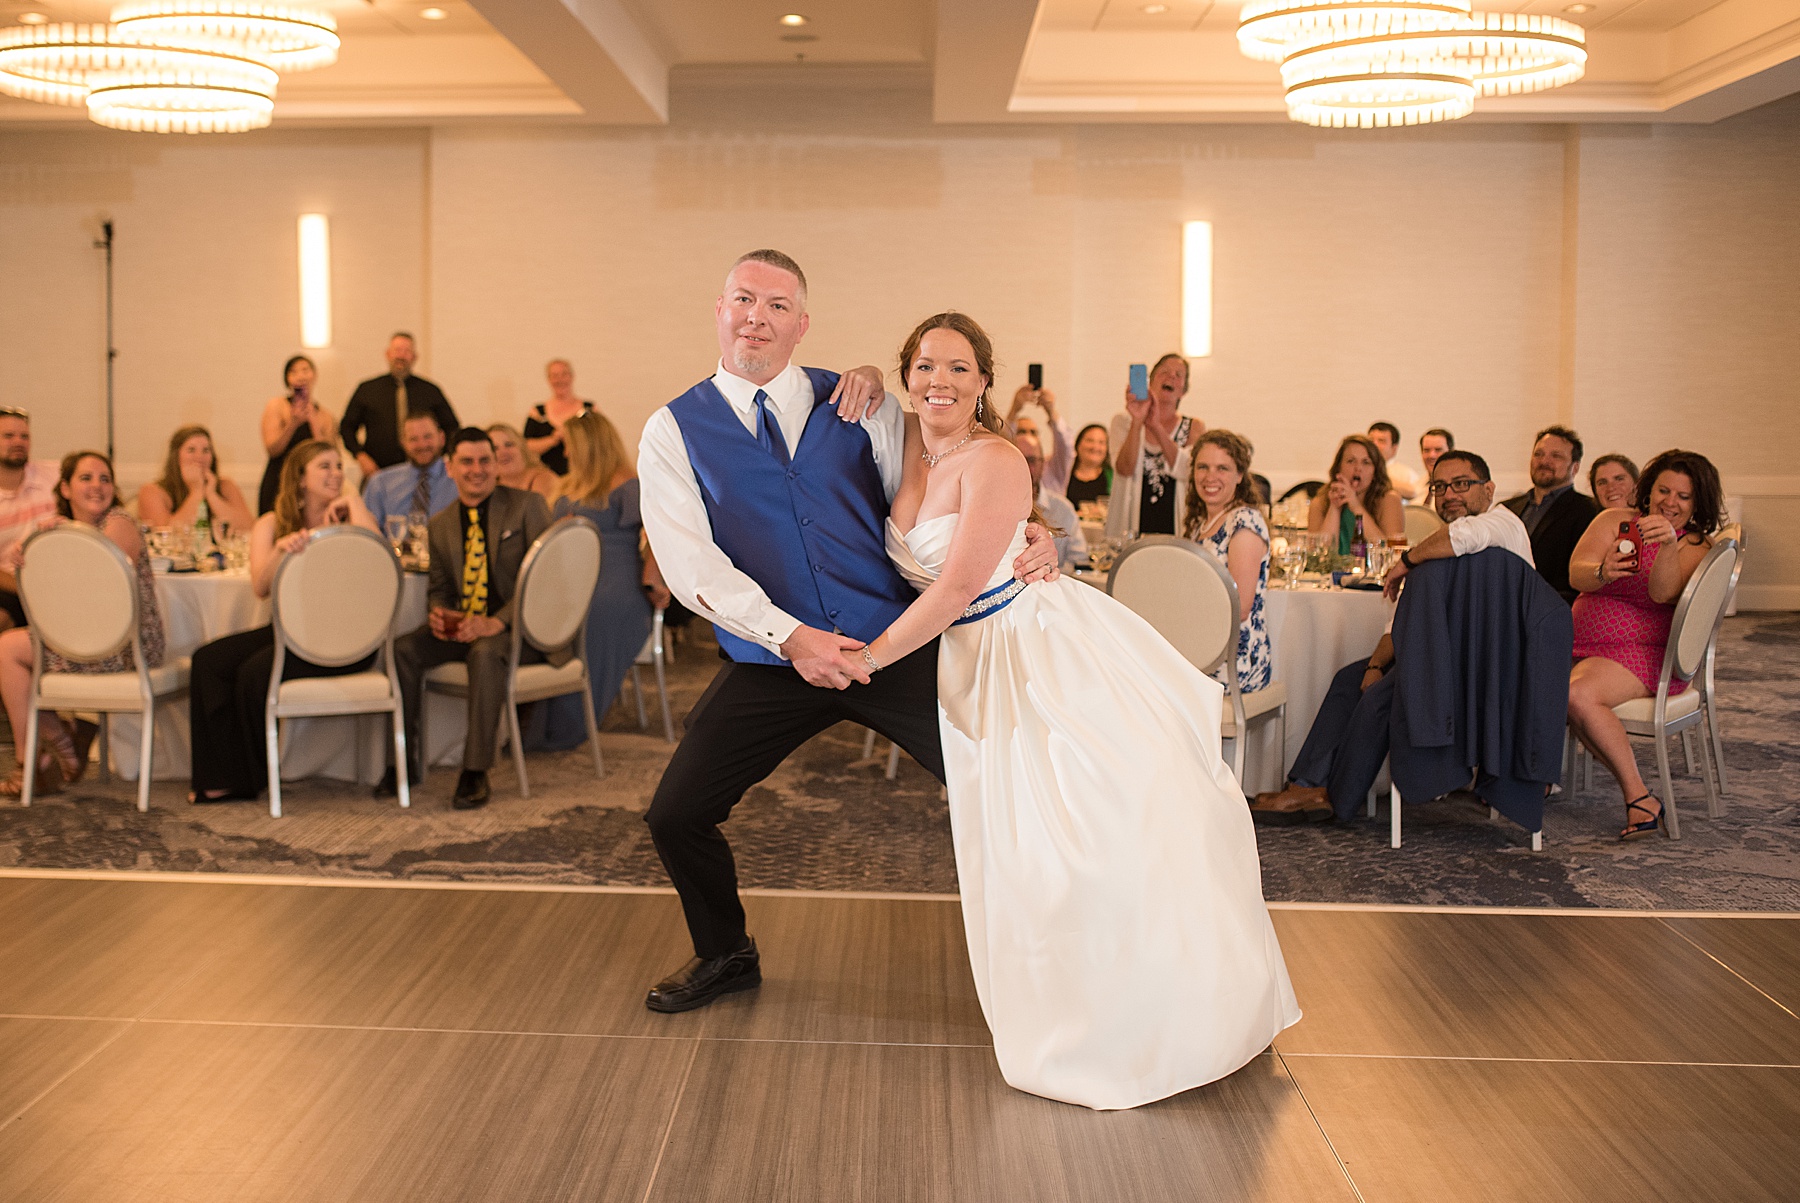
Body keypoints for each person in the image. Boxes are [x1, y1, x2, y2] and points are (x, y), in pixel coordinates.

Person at [868, 311, 1297, 1109]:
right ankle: (1056, 998)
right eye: (926, 365)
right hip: (972, 658)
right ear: (905, 375)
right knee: (1012, 844)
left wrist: (866, 659)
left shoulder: (996, 456)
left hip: (1031, 646)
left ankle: (1128, 1024)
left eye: (960, 369)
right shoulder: (901, 444)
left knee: (1078, 832)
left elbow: (959, 583)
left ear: (986, 382)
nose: (940, 380)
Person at [635, 249, 1057, 1017]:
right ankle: (725, 950)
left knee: (1003, 788)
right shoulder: (671, 430)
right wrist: (791, 637)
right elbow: (688, 562)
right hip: (772, 660)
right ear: (720, 309)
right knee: (677, 812)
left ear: (802, 324)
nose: (756, 316)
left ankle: (1048, 957)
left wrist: (1033, 533)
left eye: (776, 305)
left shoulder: (863, 407)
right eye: (742, 299)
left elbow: (950, 491)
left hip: (891, 645)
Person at [1251, 450, 1532, 824]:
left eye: (1462, 484)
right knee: (1351, 679)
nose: (1450, 495)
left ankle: (1338, 796)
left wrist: (1408, 560)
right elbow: (1399, 621)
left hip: (1488, 665)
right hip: (1433, 657)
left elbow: (1466, 534)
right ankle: (1306, 785)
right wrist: (1376, 664)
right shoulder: (1439, 546)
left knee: (1382, 696)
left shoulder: (1502, 524)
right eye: (1440, 487)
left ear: (1489, 489)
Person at [186, 441, 382, 802]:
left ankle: (249, 779)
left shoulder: (353, 521)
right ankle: (219, 776)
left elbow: (381, 561)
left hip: (345, 641)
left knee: (254, 673)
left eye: (339, 466)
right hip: (290, 632)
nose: (336, 474)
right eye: (325, 466)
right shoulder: (272, 524)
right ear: (300, 478)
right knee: (208, 661)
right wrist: (282, 549)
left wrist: (355, 504)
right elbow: (260, 586)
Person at [384, 429, 557, 811]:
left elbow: (548, 581)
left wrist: (497, 621)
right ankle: (405, 761)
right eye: (467, 461)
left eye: (484, 461)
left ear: (496, 465)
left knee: (484, 652)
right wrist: (440, 612)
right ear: (450, 467)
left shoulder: (526, 506)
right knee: (402, 650)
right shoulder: (441, 524)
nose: (476, 470)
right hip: (466, 627)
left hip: (519, 633)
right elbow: (440, 588)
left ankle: (475, 770)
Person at [1566, 449, 1723, 839]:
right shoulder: (1613, 521)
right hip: (1579, 642)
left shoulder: (1696, 546)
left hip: (1642, 651)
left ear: (1696, 502)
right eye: (1663, 491)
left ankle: (1640, 798)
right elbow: (1576, 574)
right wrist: (1602, 572)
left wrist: (1668, 545)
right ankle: (1515, 781)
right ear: (1647, 490)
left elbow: (1662, 591)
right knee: (1521, 674)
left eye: (1683, 497)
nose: (1670, 502)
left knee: (1577, 697)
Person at [0, 451, 167, 798]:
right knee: (5, 650)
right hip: (78, 638)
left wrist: (60, 540)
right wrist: (28, 562)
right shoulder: (57, 529)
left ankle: (53, 745)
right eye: (86, 478)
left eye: (105, 478)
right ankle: (34, 756)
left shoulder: (119, 521)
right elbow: (52, 602)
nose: (97, 486)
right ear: (64, 488)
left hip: (124, 645)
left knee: (12, 653)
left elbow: (102, 581)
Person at [530, 411, 668, 751]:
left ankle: (568, 726)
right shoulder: (568, 484)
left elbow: (655, 534)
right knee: (536, 621)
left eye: (570, 446)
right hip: (568, 579)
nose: (565, 454)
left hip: (615, 583)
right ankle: (529, 721)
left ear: (590, 446)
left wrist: (655, 578)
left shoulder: (626, 484)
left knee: (589, 620)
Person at [1183, 429, 1271, 692]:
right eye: (1203, 467)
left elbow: (1240, 607)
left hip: (1233, 660)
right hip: (1199, 646)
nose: (1210, 477)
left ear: (1240, 475)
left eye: (1222, 468)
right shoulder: (1199, 523)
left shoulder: (1244, 522)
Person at [1107, 353, 1203, 540]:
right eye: (1164, 372)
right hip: (1131, 528)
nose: (1171, 378)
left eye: (1178, 375)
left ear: (1184, 390)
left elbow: (1188, 470)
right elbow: (1124, 469)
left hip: (1177, 529)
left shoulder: (1194, 427)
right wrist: (1137, 421)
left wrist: (1156, 427)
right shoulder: (1123, 422)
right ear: (1149, 381)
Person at [1502, 424, 1599, 605]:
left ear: (1575, 467)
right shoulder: (1506, 509)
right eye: (1539, 454)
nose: (1544, 461)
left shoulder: (1589, 511)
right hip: (1503, 606)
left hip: (1553, 609)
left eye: (1556, 456)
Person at [340, 333, 459, 478]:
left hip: (425, 474)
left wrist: (439, 457)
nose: (401, 356)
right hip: (378, 472)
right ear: (388, 354)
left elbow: (452, 427)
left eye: (407, 351)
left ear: (414, 357)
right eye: (397, 350)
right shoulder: (367, 390)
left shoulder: (430, 390)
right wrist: (360, 456)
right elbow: (346, 427)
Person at [0, 407, 59, 634]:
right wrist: (28, 589)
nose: (19, 442)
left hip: (60, 580)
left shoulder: (53, 476)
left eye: (24, 436)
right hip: (10, 587)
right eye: (8, 436)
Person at [259, 355, 338, 515]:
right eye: (294, 372)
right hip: (278, 478)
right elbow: (272, 449)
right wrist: (293, 423)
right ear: (287, 379)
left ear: (314, 375)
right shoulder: (277, 405)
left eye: (305, 370)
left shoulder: (325, 415)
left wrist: (313, 421)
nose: (300, 376)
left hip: (313, 485)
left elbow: (330, 455)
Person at [137, 426, 254, 534]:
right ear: (176, 456)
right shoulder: (152, 491)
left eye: (206, 450)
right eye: (191, 450)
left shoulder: (226, 486)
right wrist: (196, 491)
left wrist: (211, 494)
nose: (199, 457)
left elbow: (248, 529)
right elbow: (167, 536)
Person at [1307, 434, 1404, 551]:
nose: (1358, 468)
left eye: (1366, 462)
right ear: (1338, 468)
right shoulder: (1320, 502)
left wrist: (1356, 506)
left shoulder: (1389, 499)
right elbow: (1321, 556)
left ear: (1375, 471)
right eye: (1351, 461)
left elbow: (1388, 552)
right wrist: (1334, 508)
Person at [362, 412, 456, 531]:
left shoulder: (459, 479)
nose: (422, 445)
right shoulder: (380, 483)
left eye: (428, 437)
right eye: (413, 439)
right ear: (403, 442)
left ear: (442, 438)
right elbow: (368, 533)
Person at [1012, 431, 1085, 568]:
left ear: (1042, 464)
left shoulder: (1063, 509)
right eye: (1020, 459)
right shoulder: (996, 508)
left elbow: (1079, 559)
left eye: (1032, 460)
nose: (1027, 467)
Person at [523, 359, 596, 476]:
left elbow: (601, 440)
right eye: (555, 375)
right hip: (548, 476)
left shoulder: (589, 409)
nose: (560, 379)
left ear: (572, 376)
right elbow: (526, 445)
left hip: (585, 474)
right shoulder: (537, 412)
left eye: (564, 374)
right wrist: (553, 440)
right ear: (549, 379)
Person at [1005, 383, 1072, 495]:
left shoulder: (1052, 469)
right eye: (1021, 431)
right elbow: (1002, 439)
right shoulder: (1007, 466)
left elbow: (1065, 445)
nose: (1027, 437)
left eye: (1033, 432)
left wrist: (1051, 411)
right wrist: (1014, 410)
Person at [489, 423, 560, 501]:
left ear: (522, 448)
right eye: (495, 448)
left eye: (509, 445)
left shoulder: (544, 480)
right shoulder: (489, 489)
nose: (503, 452)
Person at [1368, 421, 1422, 502]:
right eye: (1371, 441)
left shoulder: (1406, 473)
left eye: (1381, 441)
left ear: (1394, 448)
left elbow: (1414, 493)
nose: (1375, 445)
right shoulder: (1358, 469)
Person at [1065, 422, 1111, 512]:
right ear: (1078, 444)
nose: (1095, 447)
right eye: (1090, 441)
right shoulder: (1064, 474)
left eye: (1101, 442)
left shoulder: (1113, 477)